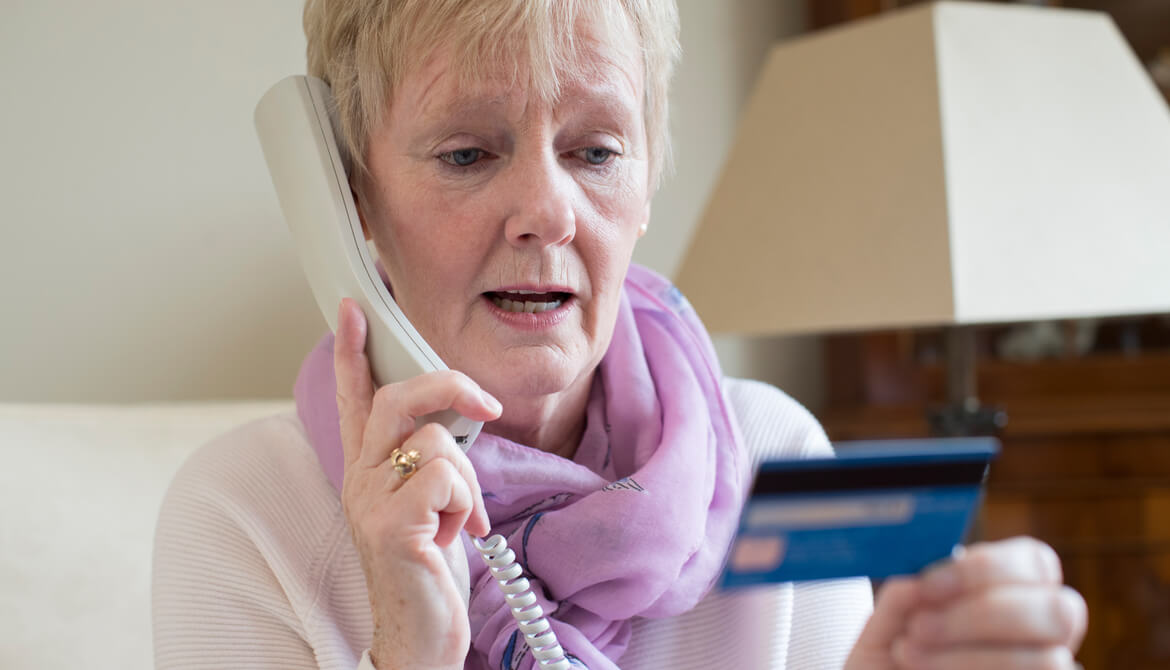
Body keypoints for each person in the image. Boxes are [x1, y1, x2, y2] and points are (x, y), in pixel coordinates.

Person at [152, 1, 1088, 668]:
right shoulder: (245, 514)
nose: (547, 214)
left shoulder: (776, 457)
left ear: (644, 188)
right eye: (468, 153)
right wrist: (409, 659)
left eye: (595, 152)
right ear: (350, 205)